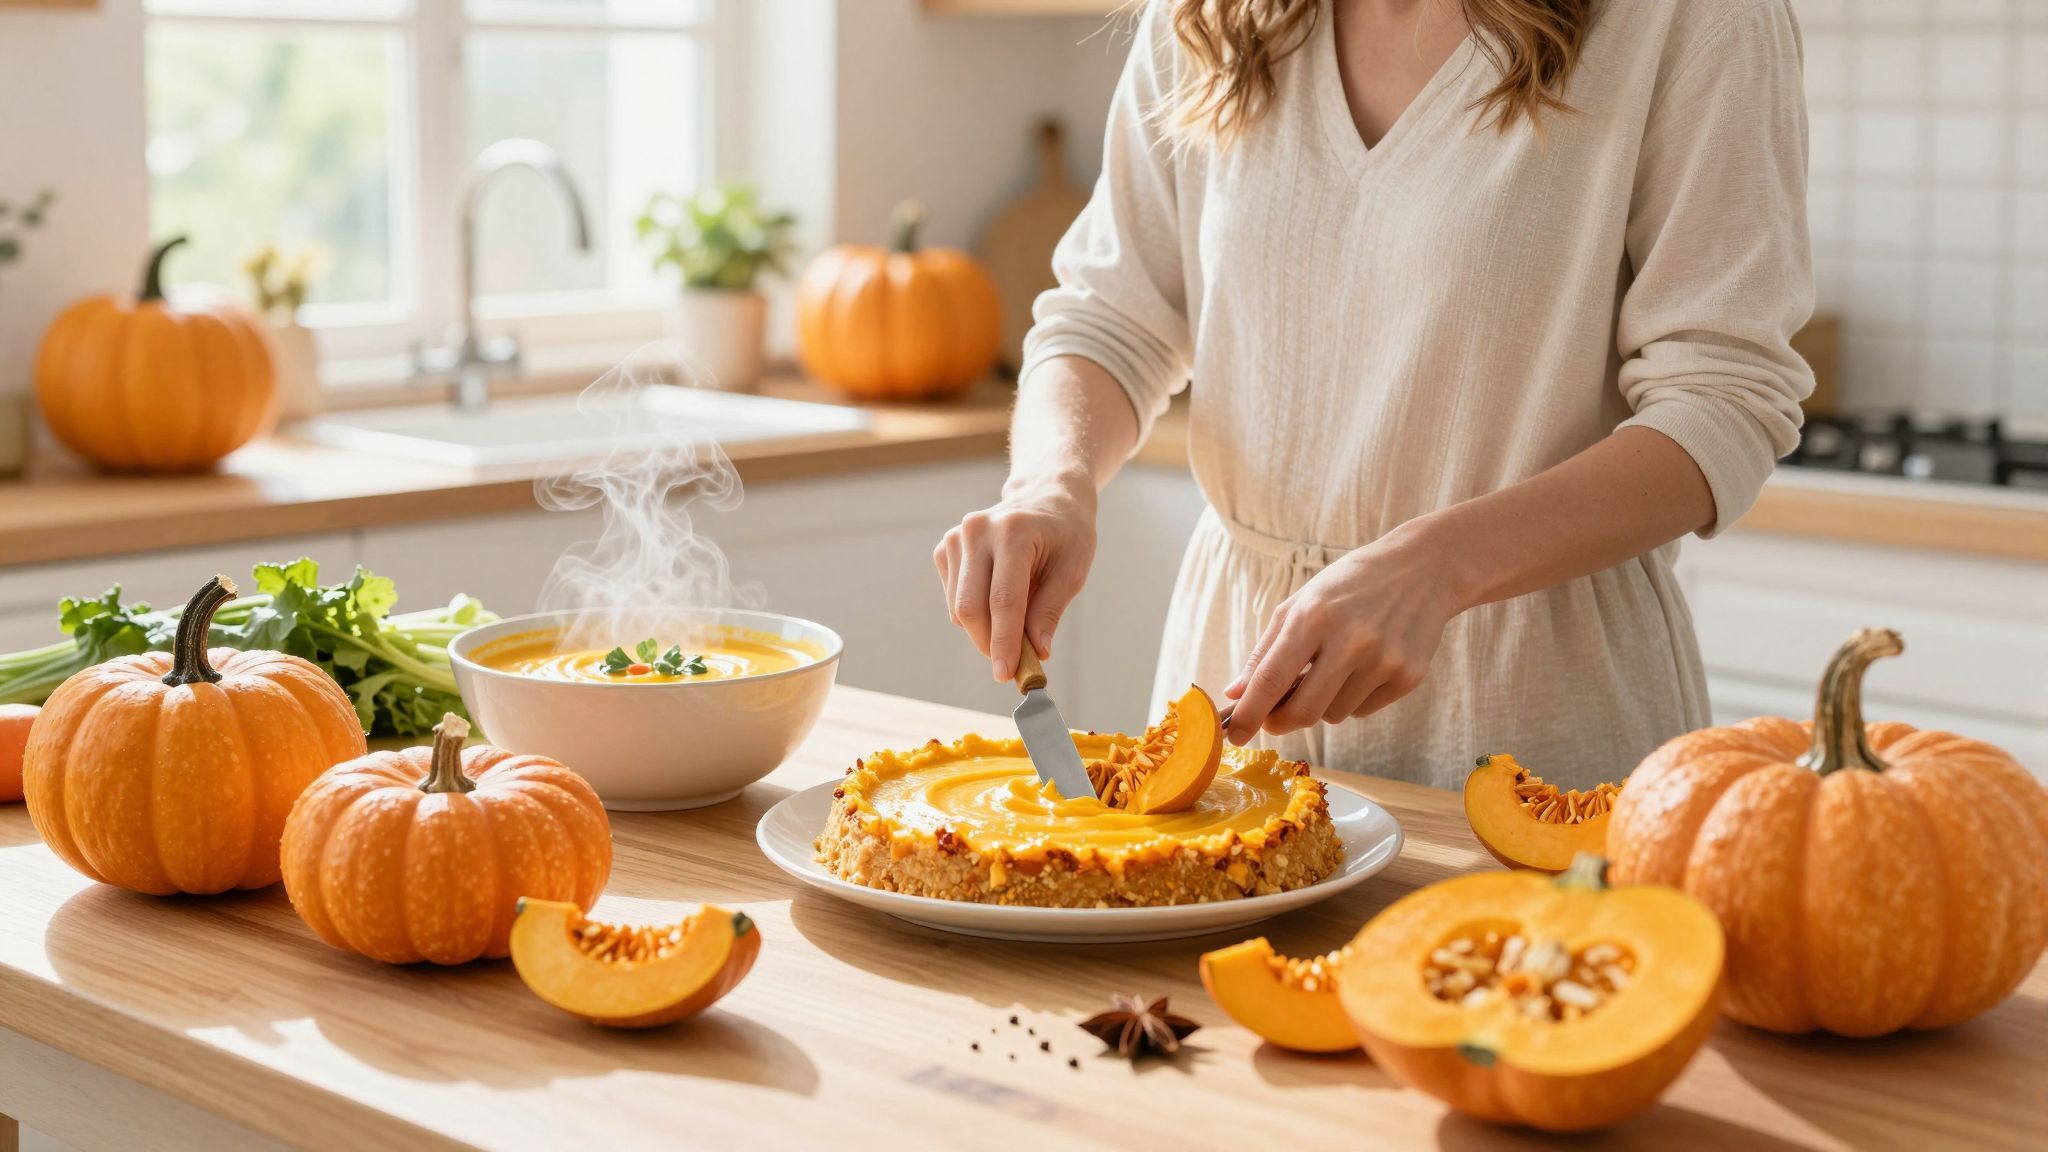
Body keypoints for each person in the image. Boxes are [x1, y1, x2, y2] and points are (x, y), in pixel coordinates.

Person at [935, 0, 1814, 789]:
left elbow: (1722, 400)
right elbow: (1106, 320)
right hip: (1236, 681)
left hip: (1543, 708)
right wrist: (1053, 484)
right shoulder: (1203, 15)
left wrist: (1438, 565)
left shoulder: (1694, 18)